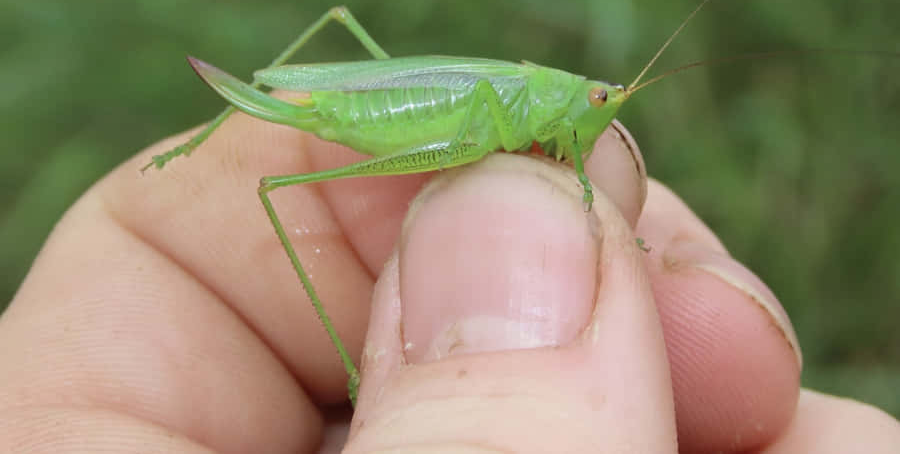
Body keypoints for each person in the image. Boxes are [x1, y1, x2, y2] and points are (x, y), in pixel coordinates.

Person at [1, 114, 897, 453]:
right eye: (591, 109)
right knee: (284, 186)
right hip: (413, 116)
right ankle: (211, 136)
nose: (597, 118)